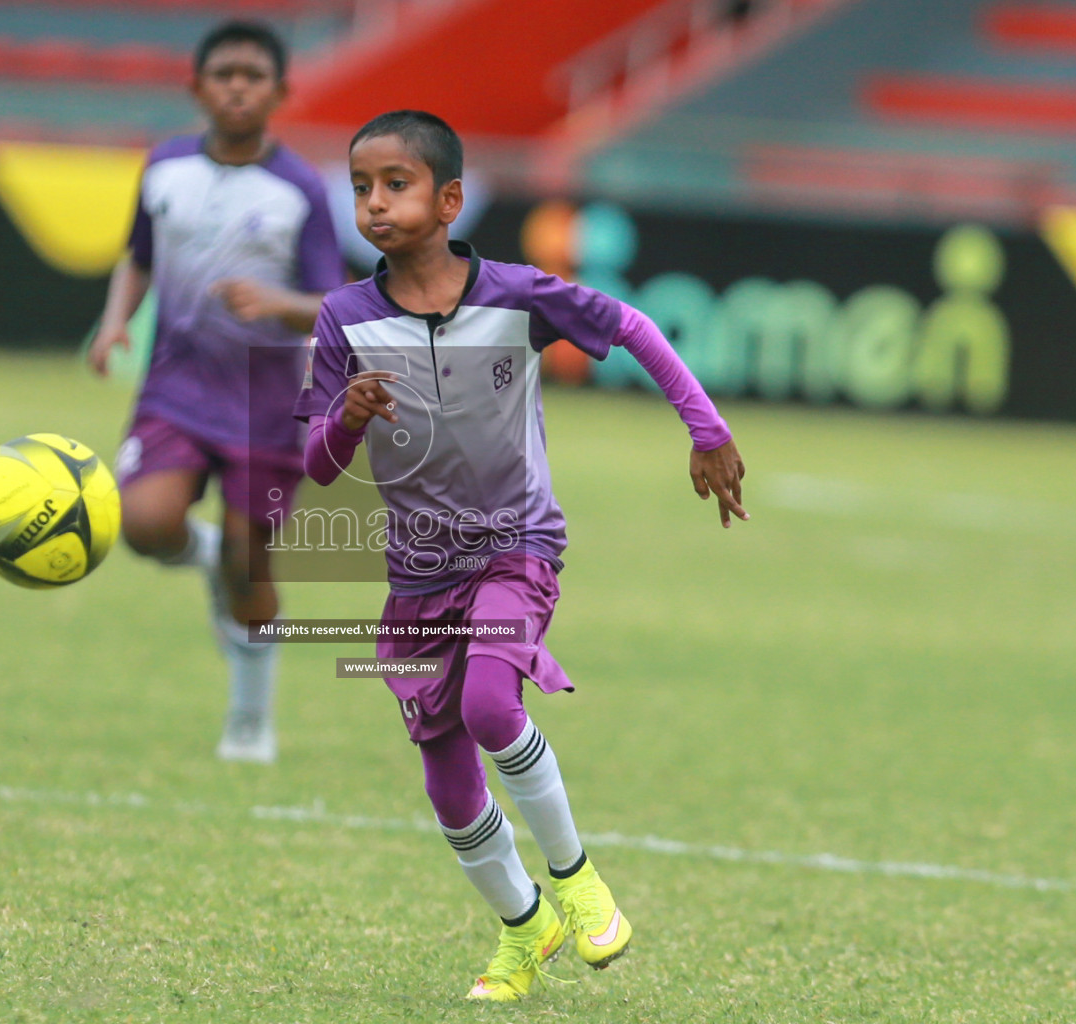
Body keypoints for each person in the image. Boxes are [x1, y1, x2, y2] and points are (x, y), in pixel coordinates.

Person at [293, 110, 747, 1001]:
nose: (375, 204)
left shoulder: (514, 294)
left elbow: (636, 329)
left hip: (516, 549)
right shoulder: (344, 318)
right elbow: (314, 465)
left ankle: (576, 881)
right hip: (417, 577)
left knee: (494, 704)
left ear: (450, 199)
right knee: (448, 777)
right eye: (360, 187)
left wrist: (708, 429)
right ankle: (524, 929)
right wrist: (344, 417)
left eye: (396, 184)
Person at [87, 21, 344, 763]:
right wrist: (113, 326)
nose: (237, 86)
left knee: (252, 569)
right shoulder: (163, 168)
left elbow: (336, 300)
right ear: (197, 87)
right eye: (224, 73)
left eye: (253, 75)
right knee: (140, 524)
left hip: (268, 405)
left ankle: (249, 720)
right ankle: (209, 558)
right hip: (175, 386)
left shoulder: (300, 190)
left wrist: (278, 305)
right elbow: (136, 257)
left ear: (280, 92)